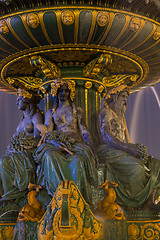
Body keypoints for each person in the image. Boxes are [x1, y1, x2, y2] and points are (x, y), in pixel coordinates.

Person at [33, 78, 98, 204]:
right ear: (56, 93)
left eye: (66, 91)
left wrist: (93, 150)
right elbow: (48, 133)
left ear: (70, 93)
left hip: (76, 143)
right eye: (60, 91)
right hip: (57, 143)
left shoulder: (77, 110)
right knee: (49, 155)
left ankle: (77, 199)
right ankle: (56, 197)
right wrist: (56, 143)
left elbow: (84, 131)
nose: (63, 94)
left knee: (78, 160)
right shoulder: (51, 112)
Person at [98, 85, 160, 209]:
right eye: (123, 96)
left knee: (156, 165)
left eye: (126, 97)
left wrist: (134, 149)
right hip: (108, 150)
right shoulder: (106, 112)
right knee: (137, 168)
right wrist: (128, 148)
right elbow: (106, 137)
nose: (125, 100)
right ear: (115, 97)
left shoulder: (120, 117)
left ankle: (149, 200)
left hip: (120, 150)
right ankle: (136, 202)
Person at [0, 89, 44, 201]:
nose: (16, 103)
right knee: (3, 161)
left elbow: (38, 139)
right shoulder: (22, 120)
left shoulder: (36, 115)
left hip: (27, 153)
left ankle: (11, 196)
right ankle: (7, 195)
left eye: (18, 99)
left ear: (26, 99)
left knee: (4, 162)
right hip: (17, 152)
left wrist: (22, 146)